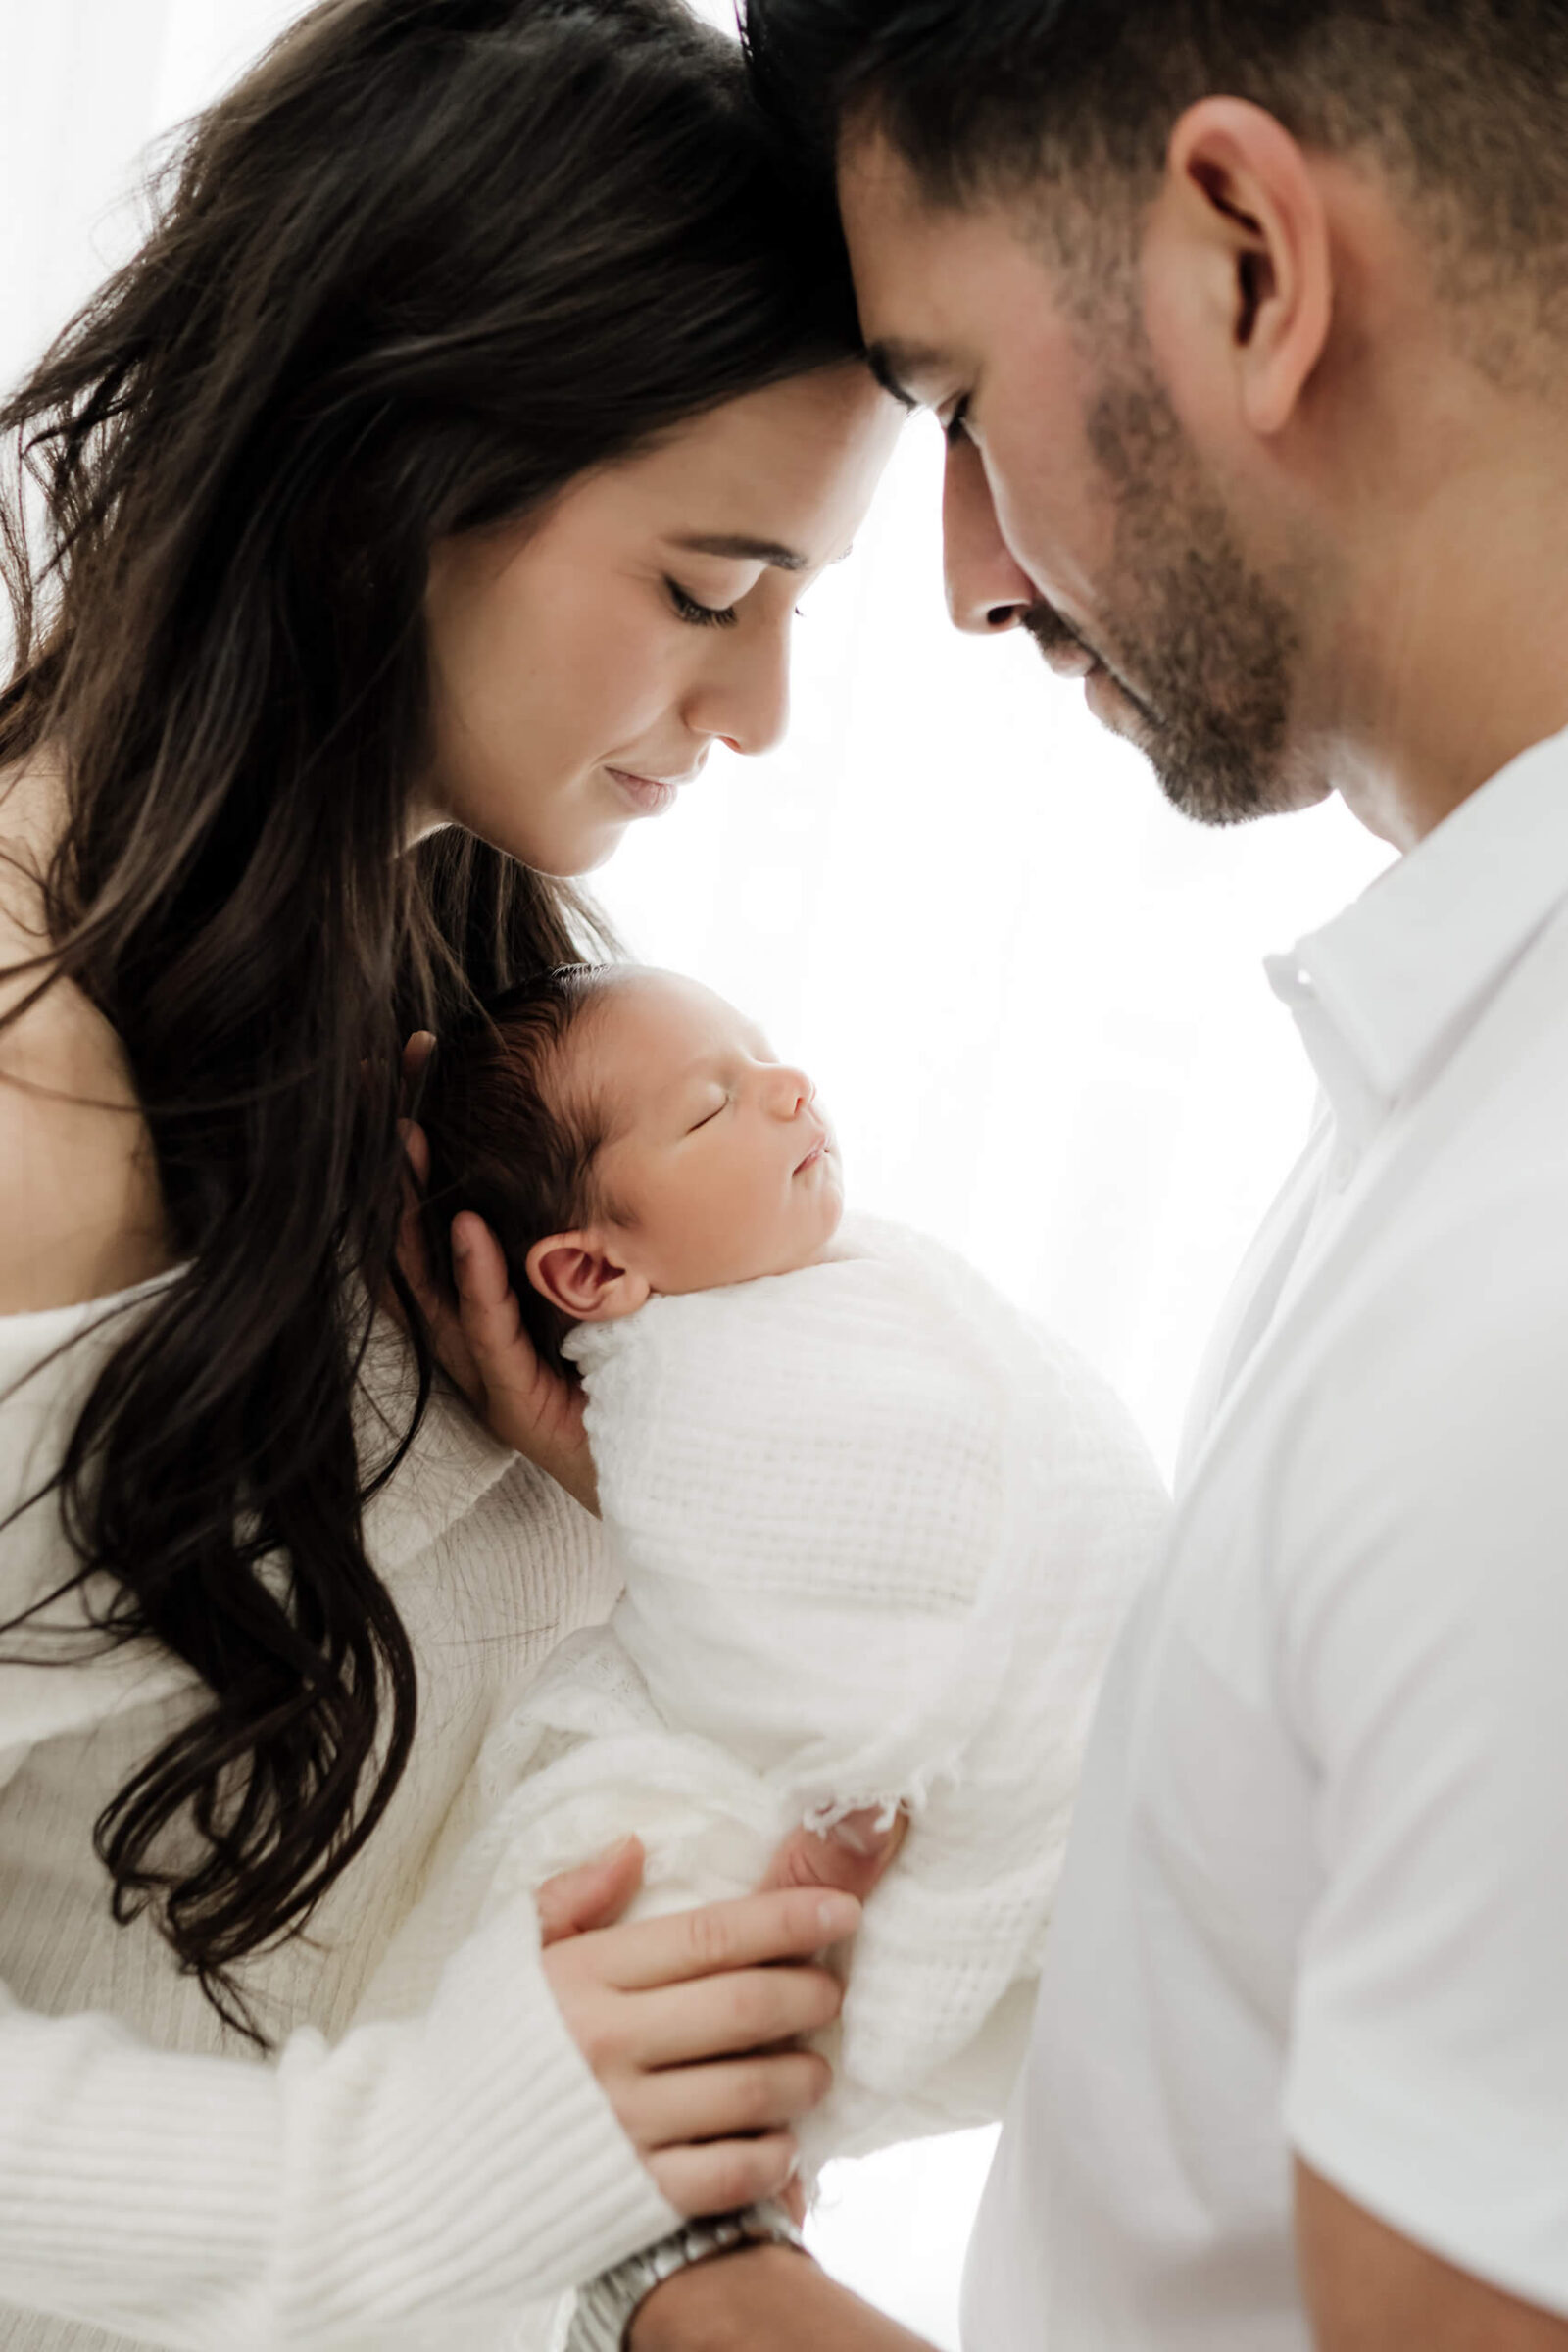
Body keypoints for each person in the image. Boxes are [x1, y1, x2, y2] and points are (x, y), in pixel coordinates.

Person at [590, 0, 1568, 2344]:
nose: (957, 576)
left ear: (1243, 257)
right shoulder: (1451, 1087)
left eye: (945, 404)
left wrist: (680, 2279)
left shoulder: (1521, 1301)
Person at [0, 1, 907, 2343]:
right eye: (712, 590)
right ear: (379, 478)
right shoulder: (31, 1088)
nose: (761, 712)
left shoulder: (452, 974)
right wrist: (421, 2171)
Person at [373, 961, 1161, 2175]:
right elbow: (764, 1616)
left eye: (762, 1057)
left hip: (1155, 1748)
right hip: (1011, 1825)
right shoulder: (683, 1408)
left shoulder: (848, 1288)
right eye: (710, 1106)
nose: (790, 1088)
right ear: (591, 1274)